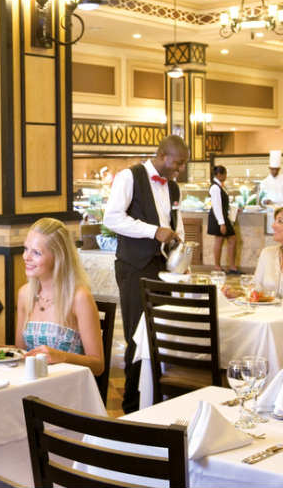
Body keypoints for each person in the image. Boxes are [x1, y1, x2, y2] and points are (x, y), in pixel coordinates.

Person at [103, 134, 188, 413]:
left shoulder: (173, 189)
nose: (180, 170)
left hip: (163, 270)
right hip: (134, 267)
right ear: (163, 155)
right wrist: (153, 231)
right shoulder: (130, 177)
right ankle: (132, 405)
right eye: (177, 163)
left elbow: (176, 224)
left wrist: (181, 249)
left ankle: (158, 400)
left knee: (161, 333)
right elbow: (112, 218)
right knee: (137, 336)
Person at [0, 218, 104, 375]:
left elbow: (98, 365)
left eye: (36, 252)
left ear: (59, 257)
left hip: (67, 389)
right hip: (31, 385)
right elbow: (22, 352)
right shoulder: (25, 293)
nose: (26, 257)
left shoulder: (79, 297)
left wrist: (62, 356)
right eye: (26, 249)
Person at [207, 165, 238, 274]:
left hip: (222, 217)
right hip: (218, 218)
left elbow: (223, 204)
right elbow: (217, 206)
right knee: (220, 240)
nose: (226, 176)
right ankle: (218, 266)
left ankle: (231, 267)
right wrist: (222, 223)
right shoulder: (215, 187)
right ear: (219, 175)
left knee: (231, 239)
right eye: (225, 174)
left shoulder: (220, 186)